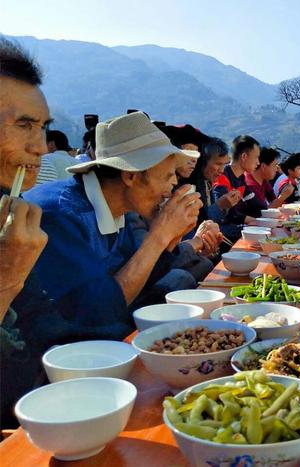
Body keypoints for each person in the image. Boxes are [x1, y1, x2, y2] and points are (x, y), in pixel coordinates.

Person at [0, 38, 131, 428]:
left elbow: (44, 326)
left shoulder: (13, 211)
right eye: (24, 125)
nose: (40, 147)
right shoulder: (60, 211)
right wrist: (6, 280)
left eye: (43, 128)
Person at [23, 111, 202, 329]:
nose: (174, 182)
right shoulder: (61, 214)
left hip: (100, 311)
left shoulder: (117, 208)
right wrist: (158, 236)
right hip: (56, 340)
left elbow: (133, 278)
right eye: (167, 176)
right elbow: (97, 312)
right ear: (130, 176)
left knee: (179, 280)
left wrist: (170, 239)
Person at [212, 135, 259, 239]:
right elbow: (227, 215)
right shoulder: (222, 177)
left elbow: (255, 204)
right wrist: (256, 222)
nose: (258, 162)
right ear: (244, 156)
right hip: (220, 230)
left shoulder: (241, 178)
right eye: (256, 157)